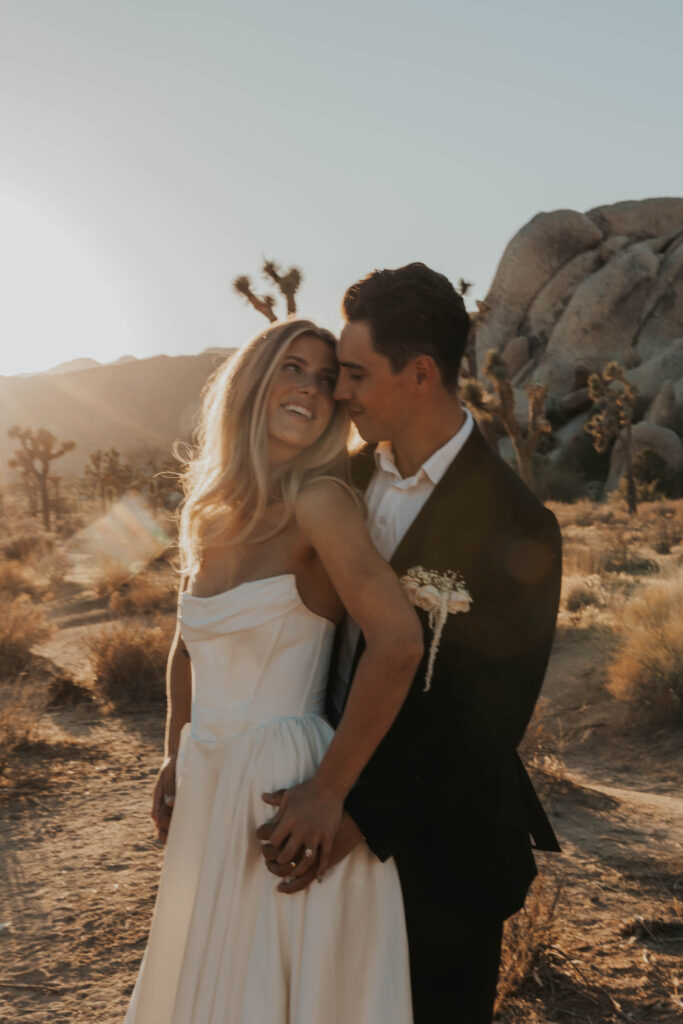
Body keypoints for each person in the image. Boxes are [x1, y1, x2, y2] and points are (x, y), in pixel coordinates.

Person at [258, 264, 563, 1024]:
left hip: (440, 849)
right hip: (311, 815)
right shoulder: (335, 482)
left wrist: (352, 810)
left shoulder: (516, 523)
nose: (340, 393)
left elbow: (487, 719)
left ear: (420, 373)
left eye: (355, 374)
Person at [125, 318, 422, 1023]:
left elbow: (399, 643)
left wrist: (328, 791)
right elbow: (189, 642)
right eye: (293, 367)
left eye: (326, 380)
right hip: (209, 782)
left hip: (283, 794)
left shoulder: (319, 504)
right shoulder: (207, 515)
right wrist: (176, 749)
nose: (310, 389)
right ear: (253, 383)